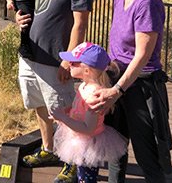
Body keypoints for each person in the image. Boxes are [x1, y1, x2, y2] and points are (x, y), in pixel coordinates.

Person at [16, 0, 95, 183]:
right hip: (30, 56)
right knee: (40, 105)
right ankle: (49, 149)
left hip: (54, 60)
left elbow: (79, 23)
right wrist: (19, 18)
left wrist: (69, 58)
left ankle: (72, 162)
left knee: (64, 112)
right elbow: (37, 10)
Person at [92, 0, 172, 183]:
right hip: (117, 80)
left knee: (147, 154)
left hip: (140, 86)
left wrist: (116, 90)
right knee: (115, 149)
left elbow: (142, 55)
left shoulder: (148, 1)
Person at [50, 42, 127, 183]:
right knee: (82, 175)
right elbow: (79, 111)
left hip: (88, 144)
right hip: (79, 140)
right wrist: (67, 112)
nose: (69, 64)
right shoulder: (84, 86)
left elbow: (88, 128)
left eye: (73, 62)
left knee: (86, 178)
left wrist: (63, 118)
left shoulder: (93, 95)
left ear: (86, 70)